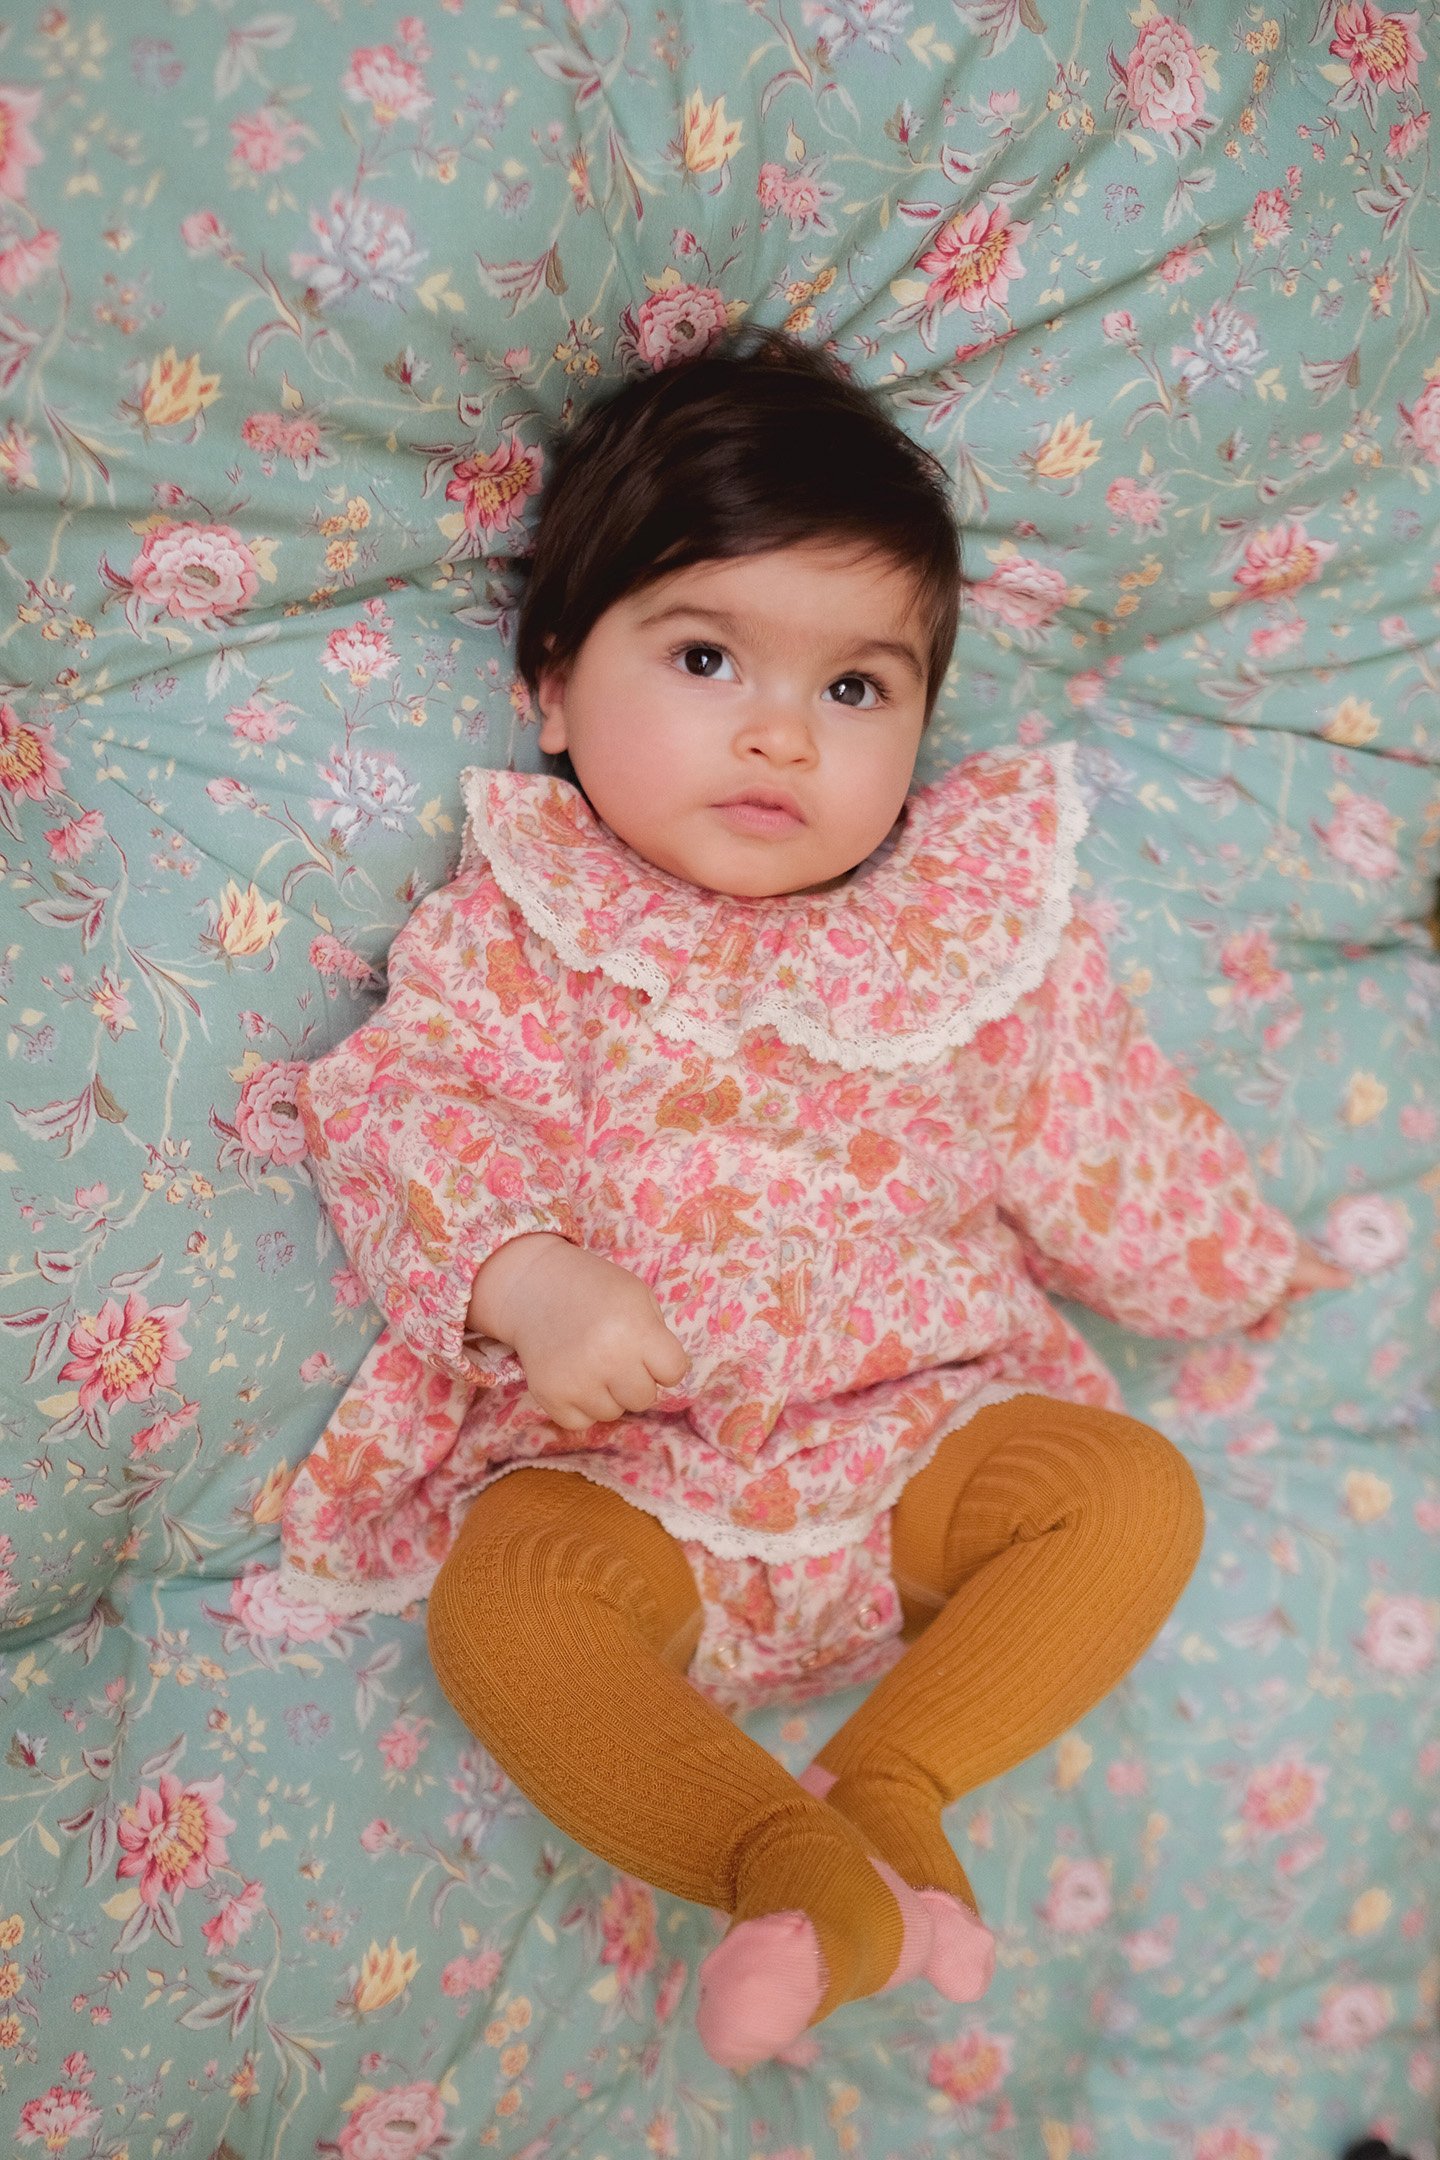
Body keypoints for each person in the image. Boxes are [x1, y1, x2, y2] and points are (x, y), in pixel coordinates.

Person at [282, 333, 1349, 2071]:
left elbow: (1101, 1136)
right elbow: (405, 1107)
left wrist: (1237, 1268)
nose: (782, 730)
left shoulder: (975, 939)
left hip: (923, 1456)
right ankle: (774, 1861)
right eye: (706, 658)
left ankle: (895, 1786)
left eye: (856, 690)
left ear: (922, 726)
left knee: (1133, 1492)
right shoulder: (524, 932)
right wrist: (531, 1280)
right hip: (634, 1484)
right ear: (551, 685)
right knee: (502, 1603)